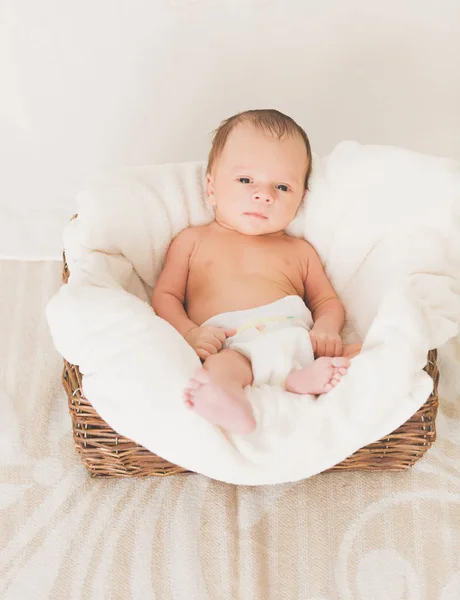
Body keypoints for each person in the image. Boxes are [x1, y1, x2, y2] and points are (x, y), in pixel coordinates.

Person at [152, 109, 361, 434]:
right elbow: (166, 296)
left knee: (371, 350)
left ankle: (302, 379)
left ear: (300, 200)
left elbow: (327, 301)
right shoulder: (192, 241)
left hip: (300, 340)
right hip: (234, 345)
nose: (263, 194)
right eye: (246, 180)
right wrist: (190, 333)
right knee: (221, 370)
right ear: (211, 188)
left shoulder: (299, 250)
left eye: (282, 186)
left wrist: (326, 329)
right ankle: (228, 399)